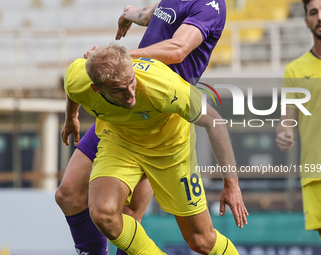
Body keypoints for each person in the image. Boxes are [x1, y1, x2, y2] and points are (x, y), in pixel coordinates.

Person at [55, 1, 241, 255]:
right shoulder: (95, 81)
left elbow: (177, 49)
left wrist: (116, 60)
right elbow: (156, 15)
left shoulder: (211, 6)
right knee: (70, 196)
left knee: (138, 216)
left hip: (163, 118)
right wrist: (131, 15)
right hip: (117, 118)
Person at [276, 1, 321, 255]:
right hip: (314, 170)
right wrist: (284, 133)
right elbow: (287, 119)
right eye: (313, 12)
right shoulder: (295, 69)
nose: (320, 17)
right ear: (306, 21)